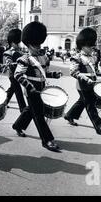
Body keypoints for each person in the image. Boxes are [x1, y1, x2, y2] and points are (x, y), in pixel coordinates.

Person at [12, 21, 62, 152]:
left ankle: (18, 125)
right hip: (31, 89)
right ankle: (47, 140)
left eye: (39, 43)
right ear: (29, 44)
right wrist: (29, 87)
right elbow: (18, 75)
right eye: (35, 44)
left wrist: (54, 74)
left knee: (31, 110)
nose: (38, 46)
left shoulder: (44, 57)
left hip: (42, 87)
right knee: (39, 114)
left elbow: (45, 73)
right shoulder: (25, 59)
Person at [64, 27, 101, 134]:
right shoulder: (77, 57)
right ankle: (99, 126)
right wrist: (86, 79)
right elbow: (74, 72)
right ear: (82, 45)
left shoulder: (93, 57)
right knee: (90, 105)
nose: (91, 48)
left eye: (92, 45)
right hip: (82, 85)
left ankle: (69, 115)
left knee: (82, 102)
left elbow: (95, 71)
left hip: (92, 85)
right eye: (89, 46)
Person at [3, 28, 27, 113]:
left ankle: (3, 102)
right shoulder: (8, 52)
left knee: (12, 89)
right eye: (17, 42)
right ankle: (23, 108)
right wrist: (10, 62)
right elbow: (8, 60)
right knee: (18, 91)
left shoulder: (19, 51)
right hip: (12, 75)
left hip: (18, 74)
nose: (19, 44)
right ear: (13, 42)